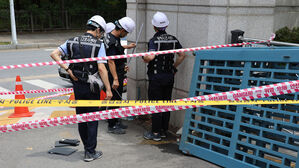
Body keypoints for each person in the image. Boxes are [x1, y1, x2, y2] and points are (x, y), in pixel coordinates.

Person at [50, 15, 112, 162]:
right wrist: (108, 89)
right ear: (97, 29)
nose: (101, 35)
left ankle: (87, 148)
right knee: (92, 118)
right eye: (101, 32)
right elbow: (102, 68)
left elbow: (54, 54)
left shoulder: (72, 41)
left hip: (77, 85)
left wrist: (68, 69)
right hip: (92, 87)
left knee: (82, 118)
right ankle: (90, 152)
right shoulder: (99, 44)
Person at [143, 12, 186, 141]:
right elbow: (182, 54)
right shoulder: (173, 38)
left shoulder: (154, 40)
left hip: (156, 78)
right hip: (169, 77)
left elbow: (150, 57)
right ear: (166, 25)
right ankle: (163, 131)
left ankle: (155, 133)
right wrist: (174, 67)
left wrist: (144, 57)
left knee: (156, 104)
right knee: (166, 104)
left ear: (154, 26)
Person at [105, 17, 136, 134]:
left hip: (118, 71)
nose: (126, 34)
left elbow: (117, 50)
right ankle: (112, 125)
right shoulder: (113, 41)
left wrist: (127, 48)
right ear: (122, 30)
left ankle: (116, 120)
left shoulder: (112, 37)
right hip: (114, 74)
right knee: (115, 99)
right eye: (126, 32)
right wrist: (116, 79)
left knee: (117, 99)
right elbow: (111, 61)